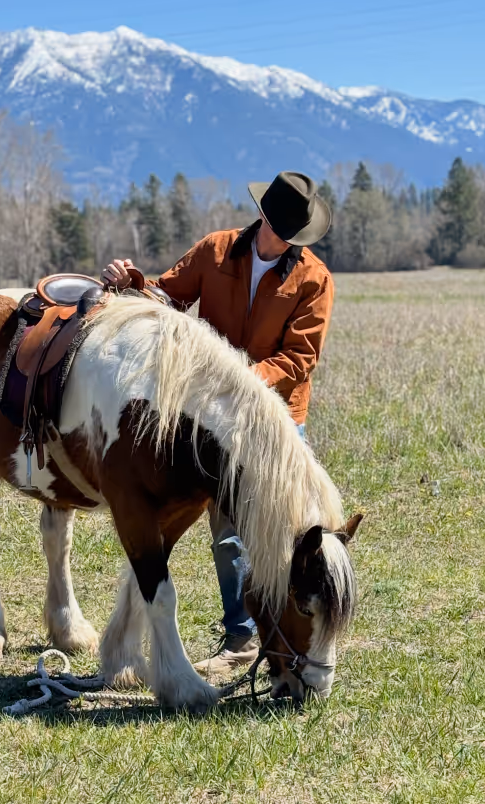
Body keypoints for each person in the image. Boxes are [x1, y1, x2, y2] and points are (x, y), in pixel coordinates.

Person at [102, 171, 334, 676]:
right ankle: (241, 638)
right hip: (208, 419)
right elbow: (169, 298)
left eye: (293, 233)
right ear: (264, 217)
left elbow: (299, 359)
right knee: (228, 530)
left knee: (289, 531)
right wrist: (135, 284)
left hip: (274, 421)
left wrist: (243, 383)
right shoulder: (216, 251)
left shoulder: (314, 279)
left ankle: (292, 627)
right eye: (279, 227)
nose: (284, 239)